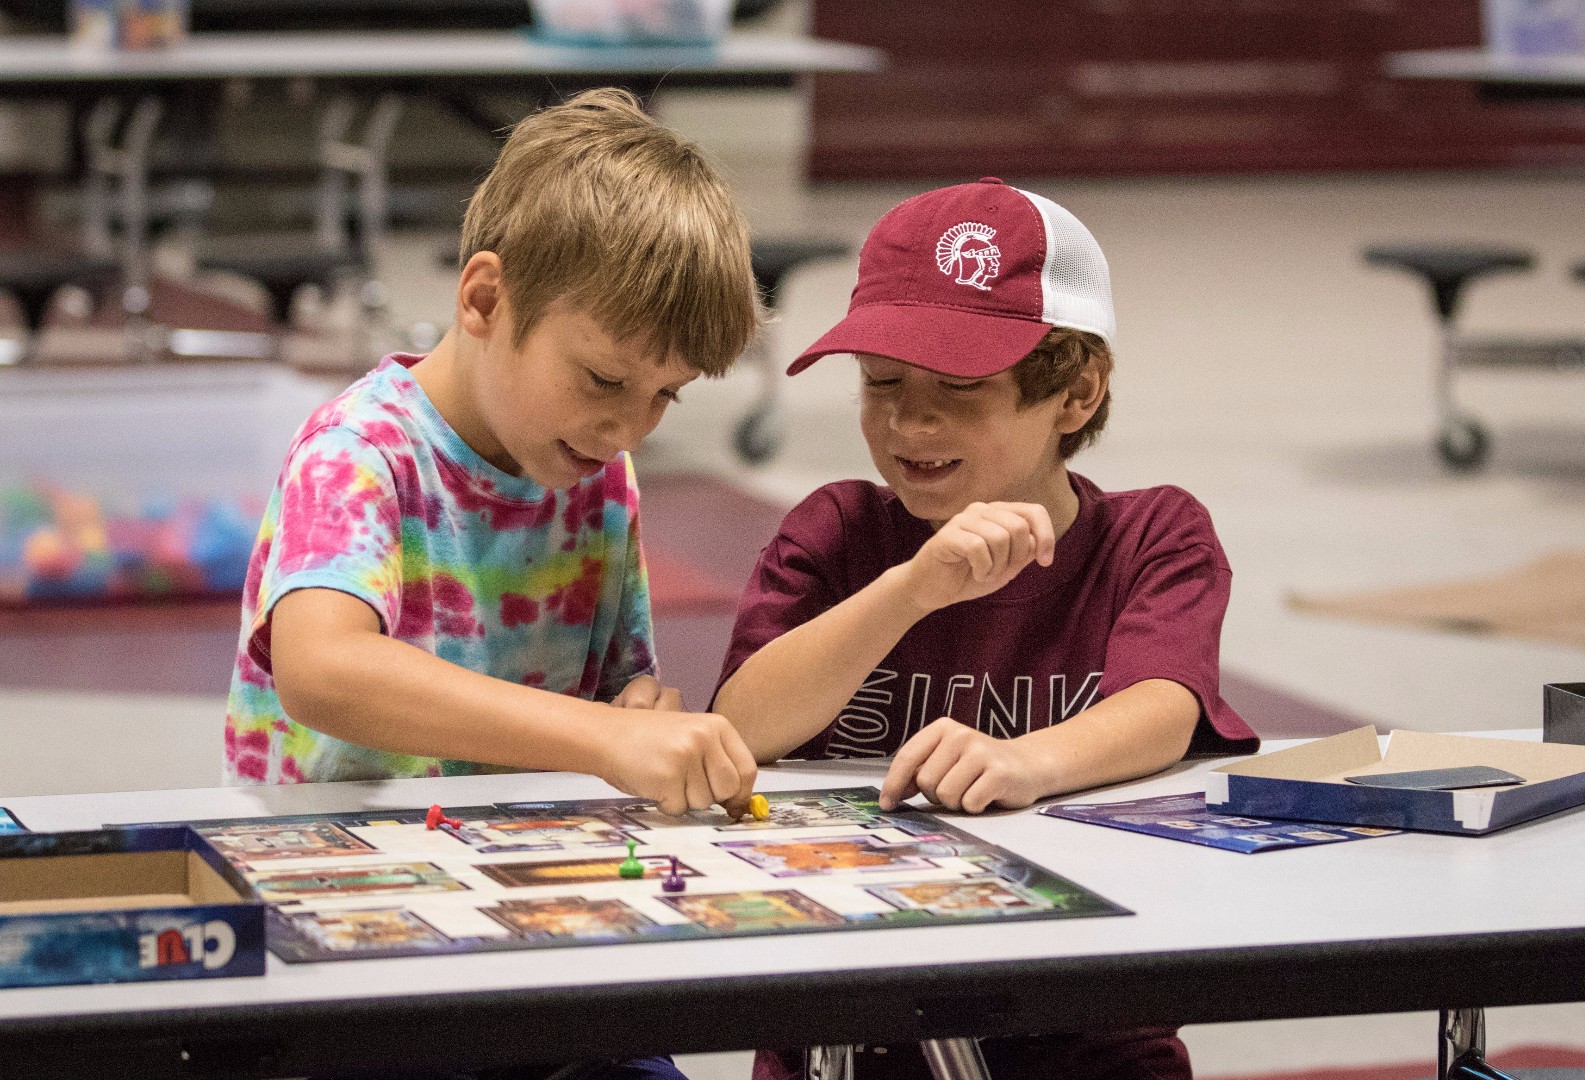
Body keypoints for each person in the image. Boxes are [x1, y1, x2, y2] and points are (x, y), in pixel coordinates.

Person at [713, 178, 1259, 1080]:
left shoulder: (1153, 536)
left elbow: (1165, 704)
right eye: (880, 382)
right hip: (847, 1031)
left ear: (1076, 393)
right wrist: (911, 589)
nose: (909, 421)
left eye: (960, 388)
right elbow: (742, 726)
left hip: (1089, 1029)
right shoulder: (836, 530)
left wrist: (1024, 762)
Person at [224, 87, 762, 824]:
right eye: (604, 379)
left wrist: (635, 713)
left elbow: (609, 703)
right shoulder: (359, 452)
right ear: (482, 299)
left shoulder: (592, 469)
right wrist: (604, 735)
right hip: (329, 860)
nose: (627, 430)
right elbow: (321, 671)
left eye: (667, 394)